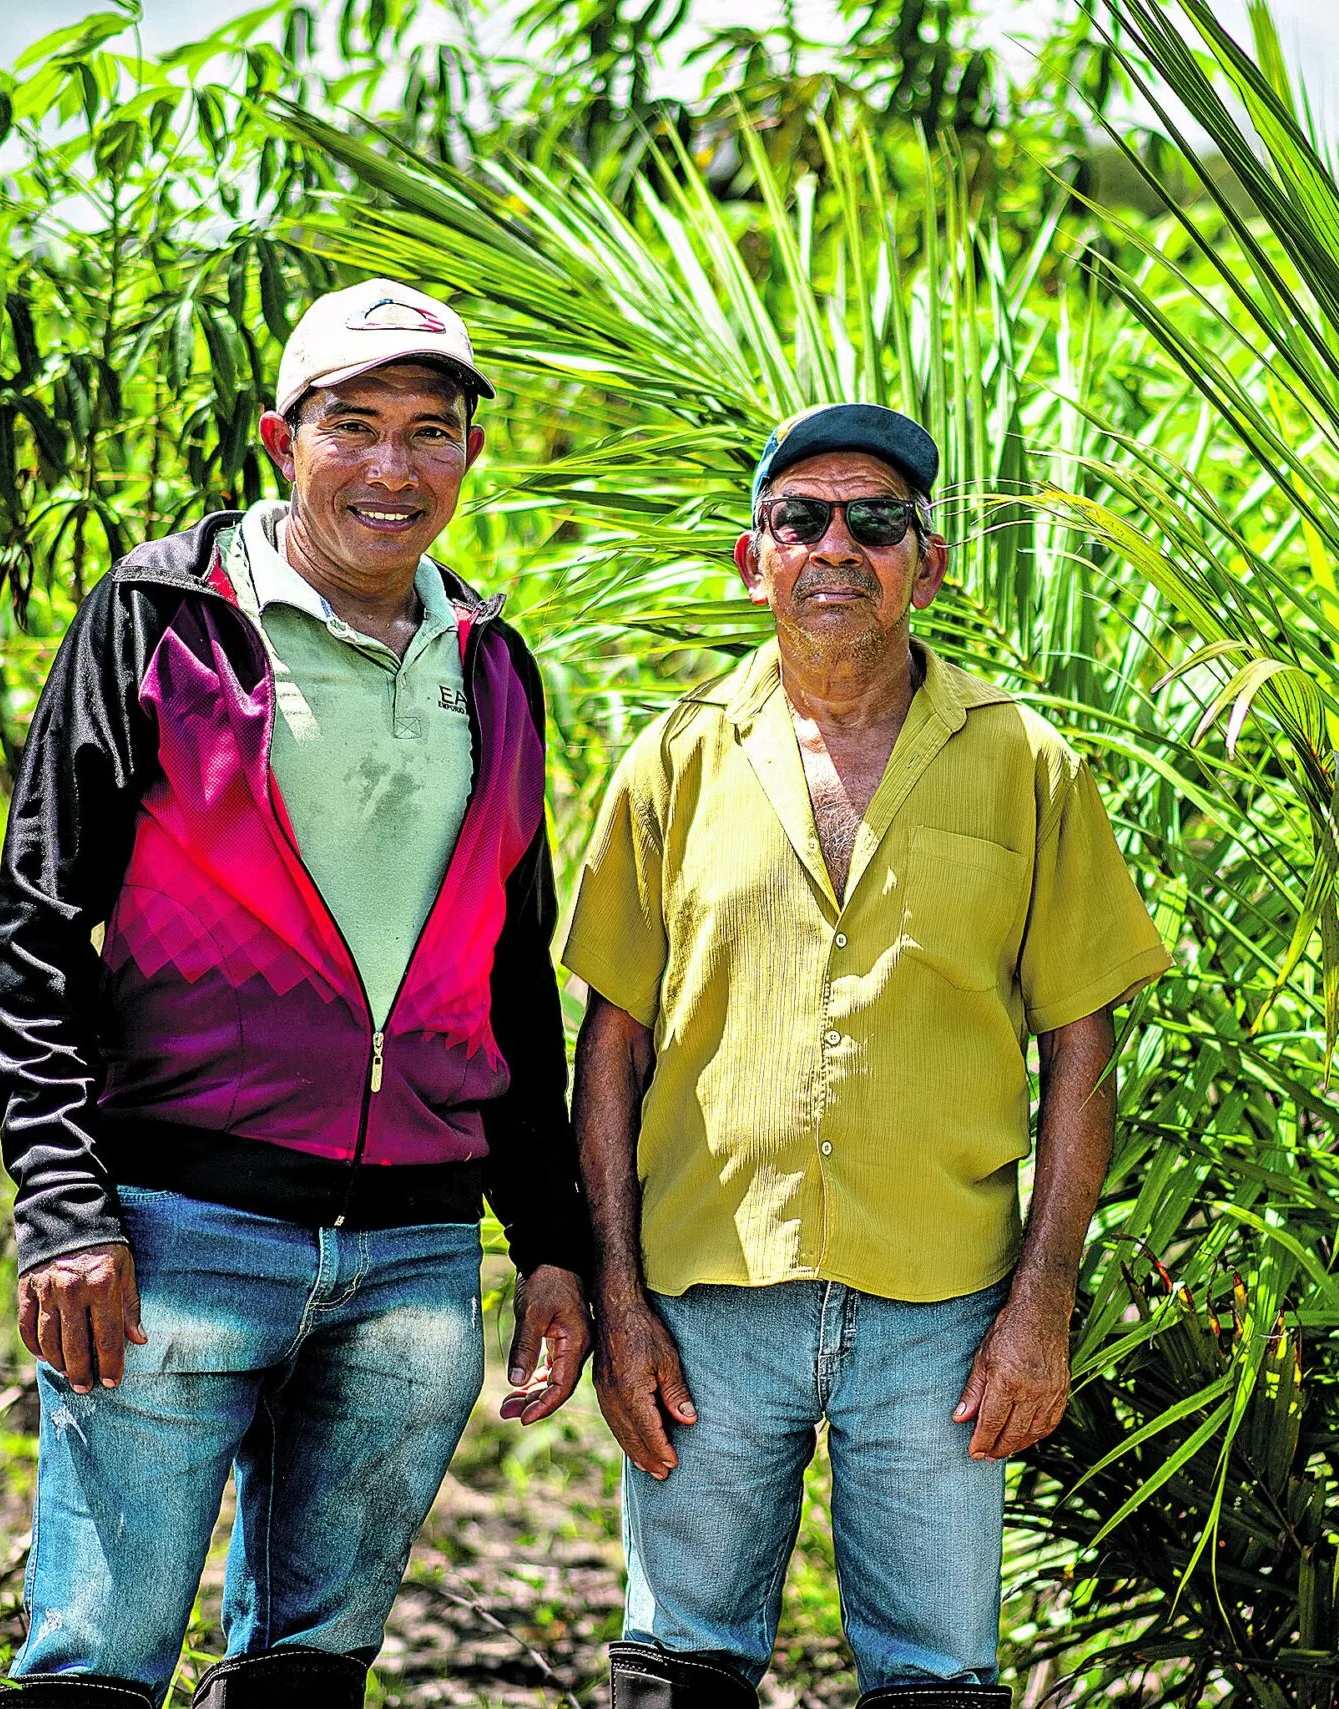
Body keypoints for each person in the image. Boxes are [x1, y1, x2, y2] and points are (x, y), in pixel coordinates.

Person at [0, 280, 592, 1709]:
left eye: (429, 434)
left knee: (313, 1679)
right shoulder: (161, 618)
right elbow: (38, 930)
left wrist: (548, 1236)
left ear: (468, 458)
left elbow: (510, 975)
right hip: (179, 1240)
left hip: (413, 1268)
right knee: (91, 1673)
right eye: (354, 428)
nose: (393, 470)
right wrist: (65, 1204)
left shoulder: (493, 663)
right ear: (280, 438)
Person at [561, 403, 1170, 1708]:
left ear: (926, 563)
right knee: (676, 1668)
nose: (838, 546)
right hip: (705, 1302)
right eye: (803, 518)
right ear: (754, 557)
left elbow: (1083, 1048)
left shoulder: (1025, 765)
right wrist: (617, 1299)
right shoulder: (671, 764)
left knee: (939, 1683)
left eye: (877, 520)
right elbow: (608, 1051)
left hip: (943, 1320)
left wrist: (1045, 1300)